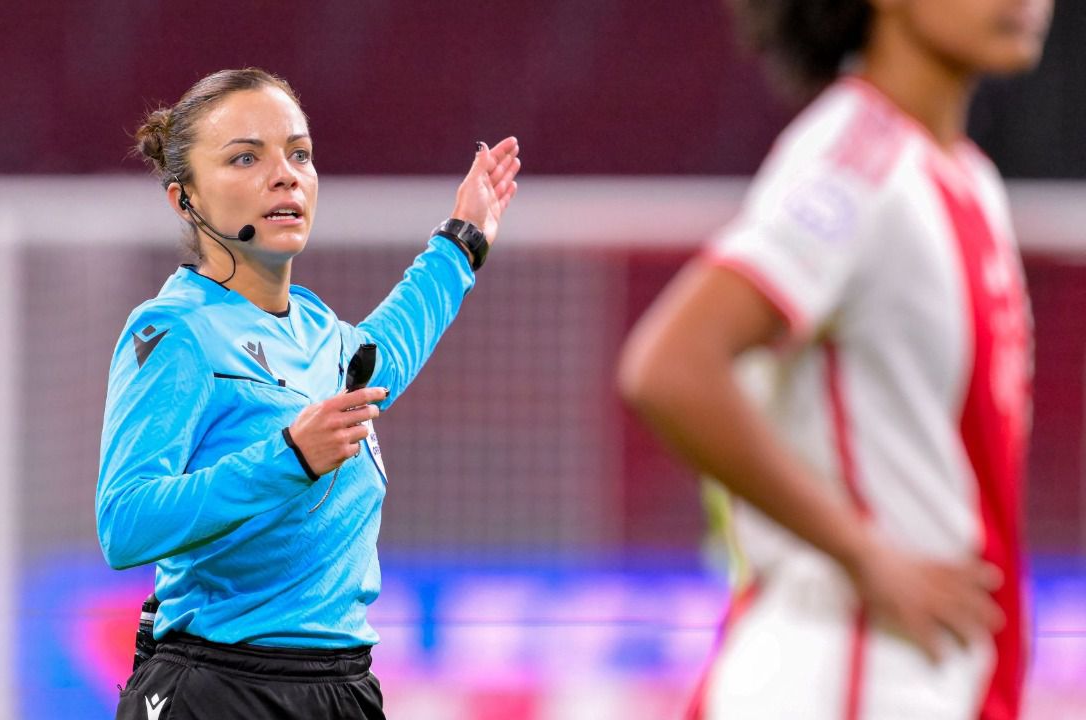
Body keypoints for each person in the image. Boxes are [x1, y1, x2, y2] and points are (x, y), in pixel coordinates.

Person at [617, 1, 1052, 718]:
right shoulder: (855, 161)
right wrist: (865, 556)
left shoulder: (966, 177)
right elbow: (671, 367)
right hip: (843, 675)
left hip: (923, 674)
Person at [96, 67, 520, 720]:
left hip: (344, 686)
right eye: (245, 157)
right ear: (185, 200)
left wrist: (460, 245)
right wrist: (288, 457)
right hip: (222, 686)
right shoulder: (174, 330)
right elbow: (125, 523)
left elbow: (383, 359)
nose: (286, 174)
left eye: (299, 153)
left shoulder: (317, 326)